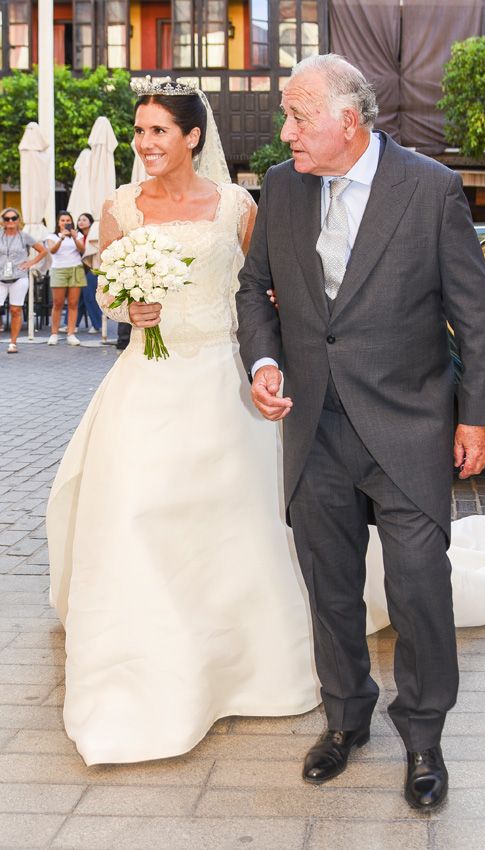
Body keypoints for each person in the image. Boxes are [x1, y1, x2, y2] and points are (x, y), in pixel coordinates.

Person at [236, 54, 485, 810]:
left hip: (410, 425)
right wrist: (261, 359)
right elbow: (254, 288)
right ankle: (346, 720)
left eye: (297, 116)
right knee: (330, 590)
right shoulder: (283, 189)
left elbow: (473, 313)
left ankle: (423, 739)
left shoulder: (431, 188)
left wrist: (477, 414)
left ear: (346, 120)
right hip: (313, 427)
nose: (284, 130)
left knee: (418, 587)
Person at [47, 79, 320, 766]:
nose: (145, 145)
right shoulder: (119, 208)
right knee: (136, 512)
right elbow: (109, 290)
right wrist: (126, 308)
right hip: (146, 380)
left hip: (222, 383)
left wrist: (277, 363)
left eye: (158, 132)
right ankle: (142, 664)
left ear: (193, 137)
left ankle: (245, 665)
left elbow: (262, 291)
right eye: (138, 133)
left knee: (236, 519)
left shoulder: (236, 205)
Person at [0, 207, 47, 353]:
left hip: (19, 277)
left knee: (15, 309)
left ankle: (13, 343)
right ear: (3, 221)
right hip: (0, 277)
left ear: (18, 220)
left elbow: (43, 251)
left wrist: (30, 263)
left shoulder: (24, 236)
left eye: (13, 218)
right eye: (7, 219)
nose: (11, 221)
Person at [46, 211, 87, 345]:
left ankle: (71, 333)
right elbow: (52, 250)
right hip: (59, 270)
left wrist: (74, 237)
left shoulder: (78, 234)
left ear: (71, 222)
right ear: (58, 222)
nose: (65, 222)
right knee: (57, 303)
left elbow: (82, 250)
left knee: (73, 303)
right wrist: (62, 238)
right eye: (62, 220)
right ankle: (54, 333)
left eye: (68, 220)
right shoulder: (52, 236)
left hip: (75, 269)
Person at [76, 212, 103, 334]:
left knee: (89, 295)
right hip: (81, 269)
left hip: (94, 268)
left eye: (84, 220)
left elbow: (85, 251)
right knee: (80, 297)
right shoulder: (79, 236)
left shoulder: (94, 236)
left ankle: (97, 324)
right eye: (79, 220)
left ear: (91, 222)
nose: (80, 222)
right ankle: (72, 323)